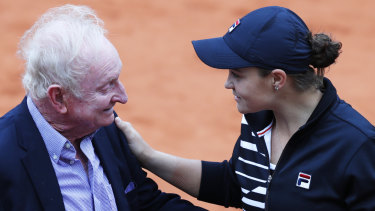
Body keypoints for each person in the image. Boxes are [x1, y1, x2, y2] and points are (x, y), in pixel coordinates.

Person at [115, 6, 375, 211]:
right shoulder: (259, 120)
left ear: (276, 79)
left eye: (237, 75)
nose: (228, 84)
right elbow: (237, 184)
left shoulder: (357, 147)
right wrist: (147, 156)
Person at [0, 4, 207, 211]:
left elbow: (144, 203)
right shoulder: (5, 158)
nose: (123, 97)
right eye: (106, 86)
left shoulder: (102, 125)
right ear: (59, 98)